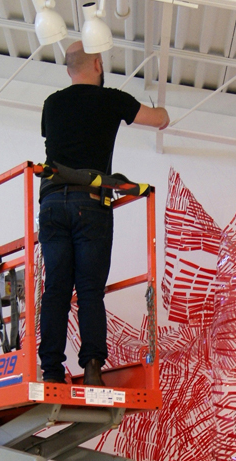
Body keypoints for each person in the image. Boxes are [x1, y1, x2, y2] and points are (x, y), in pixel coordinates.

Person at [38, 40, 169, 386]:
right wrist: (159, 99)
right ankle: (92, 367)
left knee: (56, 289)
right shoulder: (111, 99)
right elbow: (160, 119)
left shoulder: (52, 104)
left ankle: (50, 371)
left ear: (69, 69)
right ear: (97, 65)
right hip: (90, 202)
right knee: (90, 289)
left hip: (51, 202)